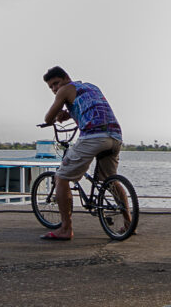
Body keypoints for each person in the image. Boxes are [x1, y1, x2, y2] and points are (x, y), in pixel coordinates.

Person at [41, 66, 123, 241]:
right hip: (115, 136)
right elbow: (92, 107)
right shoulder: (91, 87)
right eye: (51, 87)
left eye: (56, 83)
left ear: (65, 77)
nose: (55, 89)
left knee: (61, 177)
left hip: (94, 136)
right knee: (111, 180)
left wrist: (56, 117)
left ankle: (65, 229)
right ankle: (129, 223)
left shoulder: (65, 90)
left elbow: (48, 118)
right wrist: (70, 114)